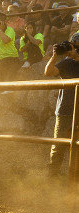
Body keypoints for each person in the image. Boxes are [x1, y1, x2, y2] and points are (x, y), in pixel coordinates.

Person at [44, 33, 79, 176]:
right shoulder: (65, 62)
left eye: (74, 45)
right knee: (58, 145)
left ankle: (75, 180)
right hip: (65, 110)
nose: (70, 48)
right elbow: (48, 72)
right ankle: (53, 178)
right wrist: (54, 56)